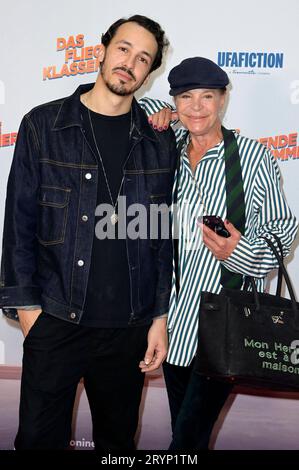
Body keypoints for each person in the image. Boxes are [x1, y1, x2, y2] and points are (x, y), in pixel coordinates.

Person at [0, 15, 178, 450]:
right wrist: (28, 313)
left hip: (128, 328)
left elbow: (160, 239)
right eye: (123, 49)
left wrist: (158, 318)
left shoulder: (158, 141)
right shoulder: (44, 125)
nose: (129, 63)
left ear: (149, 72)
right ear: (102, 49)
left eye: (143, 59)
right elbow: (18, 224)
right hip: (56, 319)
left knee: (117, 446)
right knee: (39, 443)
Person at [140, 57, 298, 449]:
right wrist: (161, 114)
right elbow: (128, 106)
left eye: (207, 97)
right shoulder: (164, 149)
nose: (196, 107)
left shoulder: (253, 157)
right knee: (183, 430)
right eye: (186, 98)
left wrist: (238, 251)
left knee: (188, 438)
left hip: (224, 326)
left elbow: (283, 234)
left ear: (223, 100)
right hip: (172, 323)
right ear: (175, 102)